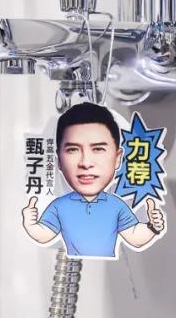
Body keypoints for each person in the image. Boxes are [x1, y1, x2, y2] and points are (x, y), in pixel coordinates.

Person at [21, 102, 165, 258]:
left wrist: (152, 226)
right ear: (59, 160)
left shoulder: (116, 206)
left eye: (98, 149)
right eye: (72, 150)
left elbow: (134, 236)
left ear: (118, 158)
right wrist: (30, 224)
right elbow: (44, 234)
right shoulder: (59, 206)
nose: (85, 163)